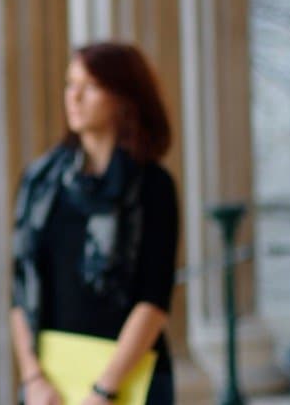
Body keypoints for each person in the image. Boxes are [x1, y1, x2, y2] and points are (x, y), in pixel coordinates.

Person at [10, 41, 179, 405]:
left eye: (91, 86)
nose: (75, 97)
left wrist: (104, 389)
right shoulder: (40, 182)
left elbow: (154, 298)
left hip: (131, 383)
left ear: (123, 98)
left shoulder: (152, 185)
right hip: (51, 386)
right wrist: (33, 379)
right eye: (71, 84)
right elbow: (20, 286)